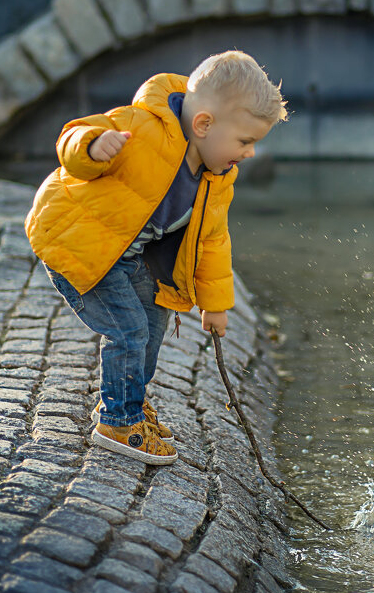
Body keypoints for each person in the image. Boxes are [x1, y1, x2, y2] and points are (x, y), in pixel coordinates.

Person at [25, 51, 287, 465]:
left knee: (152, 319)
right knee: (128, 331)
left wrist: (215, 304)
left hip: (127, 258)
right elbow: (71, 139)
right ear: (204, 125)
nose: (250, 153)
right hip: (80, 246)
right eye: (245, 141)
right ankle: (118, 421)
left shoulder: (217, 177)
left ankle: (128, 399)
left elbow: (212, 239)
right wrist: (93, 146)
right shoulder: (141, 128)